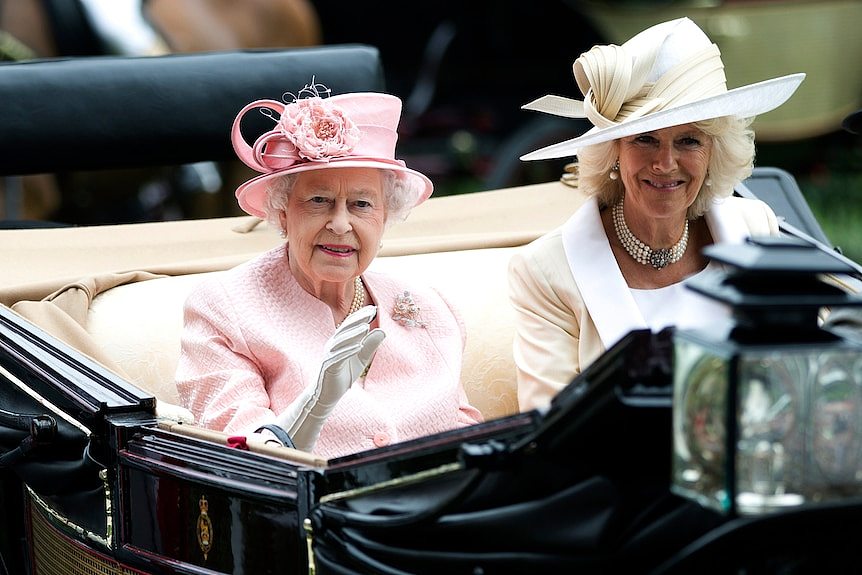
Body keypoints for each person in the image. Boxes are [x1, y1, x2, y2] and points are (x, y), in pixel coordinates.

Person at [508, 17, 806, 411]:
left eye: (688, 140)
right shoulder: (545, 272)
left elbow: (798, 374)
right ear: (614, 150)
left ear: (714, 151)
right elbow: (546, 428)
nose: (665, 163)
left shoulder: (756, 228)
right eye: (645, 139)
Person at [176, 81, 482, 458]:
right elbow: (241, 452)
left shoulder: (431, 307)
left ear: (386, 217)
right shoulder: (224, 309)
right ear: (283, 212)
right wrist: (309, 411)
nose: (341, 224)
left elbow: (468, 434)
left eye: (362, 204)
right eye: (319, 200)